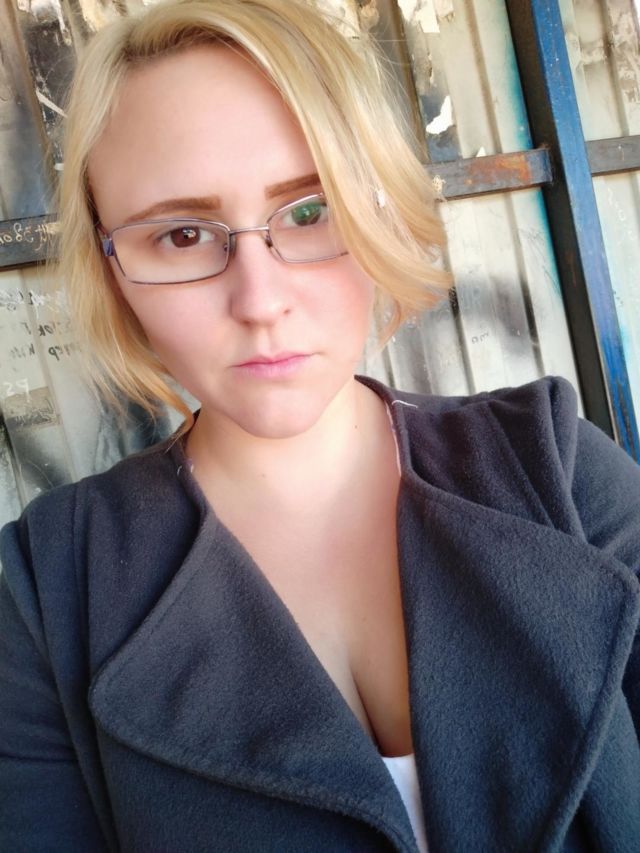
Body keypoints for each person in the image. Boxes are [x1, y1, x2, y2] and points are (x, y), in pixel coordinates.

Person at [0, 0, 639, 850]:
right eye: (182, 234)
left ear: (378, 210)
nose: (260, 300)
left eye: (310, 211)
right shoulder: (42, 593)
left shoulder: (561, 469)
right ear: (113, 268)